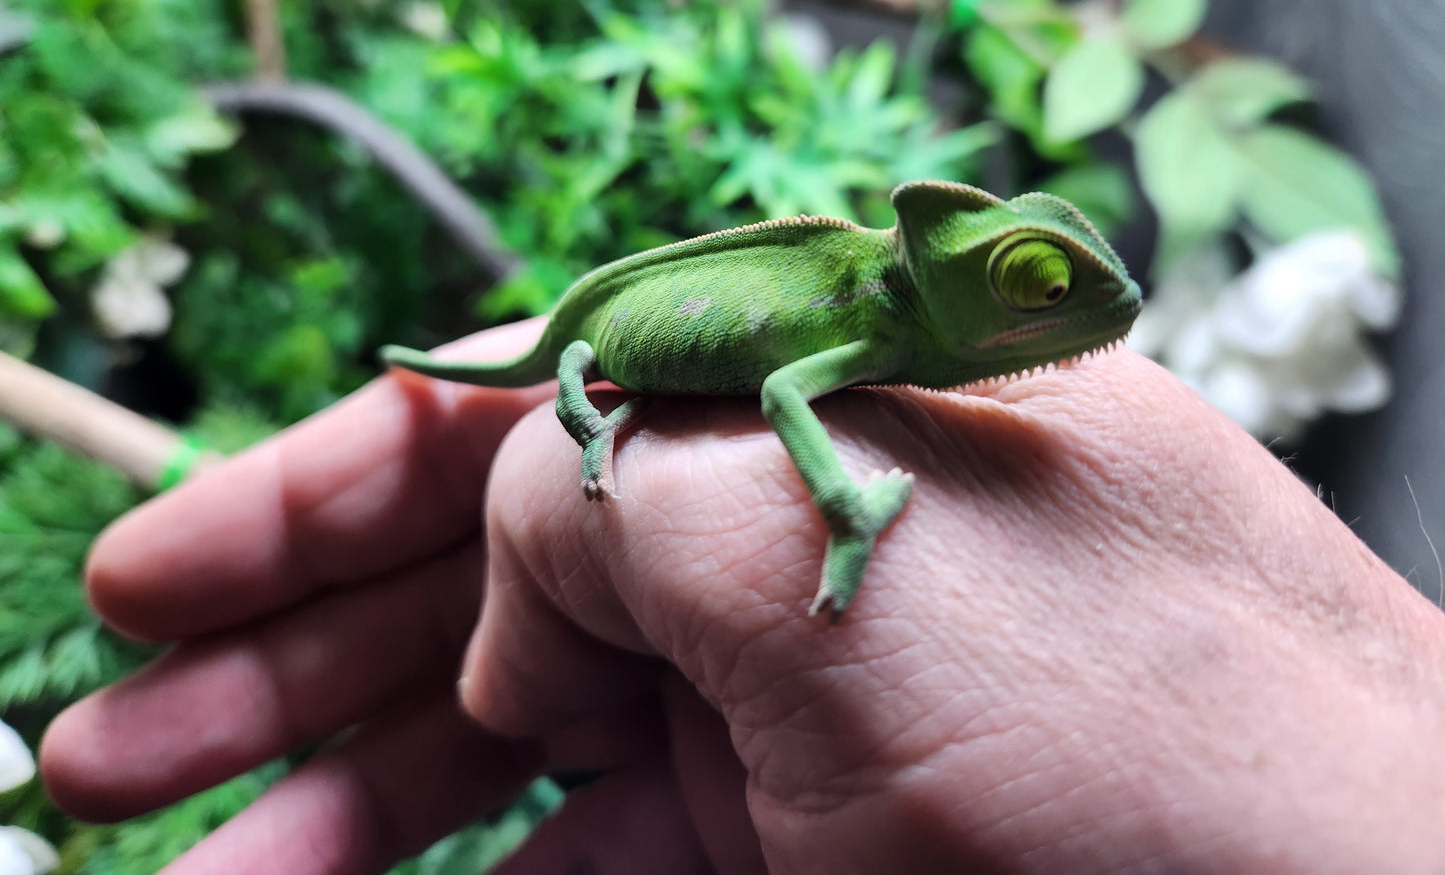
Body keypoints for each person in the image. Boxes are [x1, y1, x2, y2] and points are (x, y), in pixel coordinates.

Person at [38, 319, 1445, 873]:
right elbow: (776, 381)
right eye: (1027, 285)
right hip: (618, 348)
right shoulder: (861, 318)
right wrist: (823, 505)